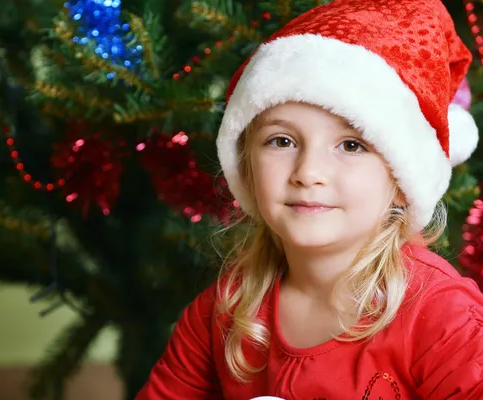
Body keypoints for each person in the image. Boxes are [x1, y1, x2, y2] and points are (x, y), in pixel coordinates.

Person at [136, 0, 483, 398]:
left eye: (351, 145)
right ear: (246, 167)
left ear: (401, 180)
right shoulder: (224, 309)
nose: (308, 172)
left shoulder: (442, 317)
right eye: (281, 141)